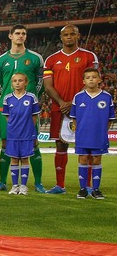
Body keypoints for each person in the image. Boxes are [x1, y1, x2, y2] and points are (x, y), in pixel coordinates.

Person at [42, 24, 99, 194]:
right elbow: (47, 86)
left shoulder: (89, 56)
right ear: (61, 37)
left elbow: (93, 81)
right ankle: (60, 185)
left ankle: (87, 186)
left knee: (87, 147)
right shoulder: (51, 59)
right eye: (65, 34)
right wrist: (61, 102)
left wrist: (73, 103)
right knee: (60, 146)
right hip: (59, 108)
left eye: (72, 34)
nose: (68, 37)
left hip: (84, 109)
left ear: (78, 35)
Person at [0, 24, 45, 193]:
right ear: (10, 36)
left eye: (23, 34)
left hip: (28, 109)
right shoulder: (1, 60)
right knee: (6, 144)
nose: (21, 36)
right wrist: (9, 99)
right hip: (7, 108)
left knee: (34, 143)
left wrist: (29, 99)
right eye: (17, 33)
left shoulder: (35, 58)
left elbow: (40, 82)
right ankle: (2, 182)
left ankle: (38, 183)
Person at [69, 68, 115, 199]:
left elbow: (110, 119)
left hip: (99, 136)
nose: (91, 79)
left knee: (96, 159)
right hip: (82, 135)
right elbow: (74, 117)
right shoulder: (78, 97)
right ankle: (83, 189)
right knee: (83, 159)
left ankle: (96, 189)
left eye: (94, 77)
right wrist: (79, 131)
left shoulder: (106, 97)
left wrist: (102, 131)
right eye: (88, 77)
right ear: (83, 80)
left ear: (99, 80)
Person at [2, 73, 41, 195]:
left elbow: (34, 116)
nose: (17, 83)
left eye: (20, 80)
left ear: (26, 83)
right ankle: (15, 186)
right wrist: (14, 128)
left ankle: (23, 186)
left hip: (27, 134)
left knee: (25, 159)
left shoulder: (31, 98)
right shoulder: (7, 98)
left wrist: (29, 130)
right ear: (12, 83)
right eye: (15, 81)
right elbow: (8, 117)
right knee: (14, 159)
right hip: (13, 134)